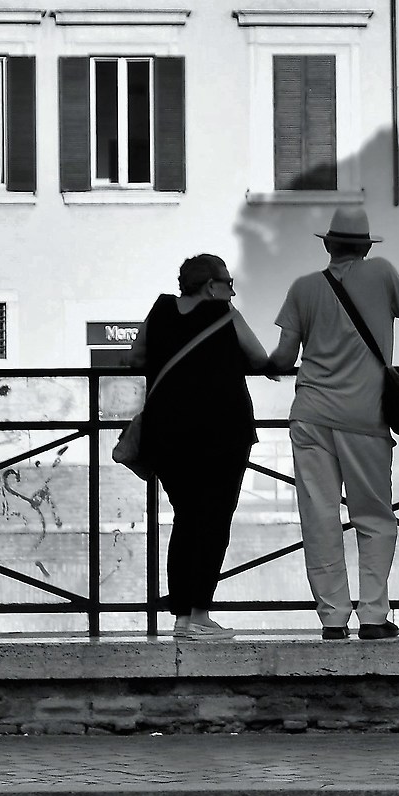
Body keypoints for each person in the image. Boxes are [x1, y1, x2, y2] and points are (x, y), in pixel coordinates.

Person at [267, 205, 399, 641]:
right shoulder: (383, 275)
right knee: (374, 517)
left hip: (312, 418)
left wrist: (263, 365)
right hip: (365, 419)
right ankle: (374, 615)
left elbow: (283, 356)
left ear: (330, 245)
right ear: (365, 247)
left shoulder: (303, 288)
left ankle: (333, 619)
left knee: (319, 518)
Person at [134, 254, 270, 641]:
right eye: (228, 283)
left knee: (185, 519)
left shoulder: (160, 309)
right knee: (212, 522)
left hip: (168, 435)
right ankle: (199, 614)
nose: (231, 289)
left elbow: (136, 357)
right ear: (212, 286)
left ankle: (181, 618)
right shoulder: (225, 315)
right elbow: (260, 358)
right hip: (221, 434)